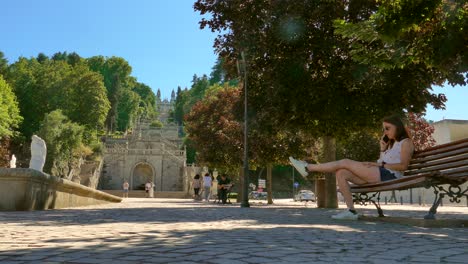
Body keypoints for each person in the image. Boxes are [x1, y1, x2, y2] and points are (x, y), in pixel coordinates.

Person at [289, 115, 414, 220]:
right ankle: (351, 211)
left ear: (398, 127)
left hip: (389, 175)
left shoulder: (406, 142)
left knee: (345, 162)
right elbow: (382, 161)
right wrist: (382, 149)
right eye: (384, 129)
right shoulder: (392, 144)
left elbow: (403, 166)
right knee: (341, 172)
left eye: (387, 128)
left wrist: (380, 164)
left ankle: (307, 168)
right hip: (380, 172)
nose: (385, 132)